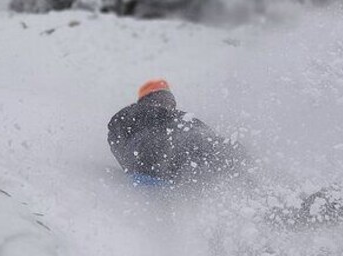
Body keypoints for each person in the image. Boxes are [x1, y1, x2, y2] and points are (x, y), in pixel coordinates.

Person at [107, 79, 252, 186]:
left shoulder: (180, 118)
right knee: (209, 148)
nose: (168, 104)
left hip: (178, 157)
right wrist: (134, 166)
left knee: (225, 151)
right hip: (154, 150)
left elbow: (208, 134)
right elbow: (117, 136)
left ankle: (256, 190)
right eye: (162, 98)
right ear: (148, 99)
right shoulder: (132, 114)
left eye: (170, 101)